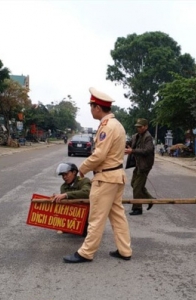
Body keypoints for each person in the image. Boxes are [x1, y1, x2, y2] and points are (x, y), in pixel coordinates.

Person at [62, 87, 132, 263]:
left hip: (106, 178)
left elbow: (99, 155)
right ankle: (125, 250)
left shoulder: (107, 127)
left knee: (96, 217)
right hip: (116, 176)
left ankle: (86, 252)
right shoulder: (118, 125)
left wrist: (82, 168)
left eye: (91, 106)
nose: (91, 110)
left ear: (97, 108)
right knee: (117, 216)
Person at [124, 118, 155, 216]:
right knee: (134, 184)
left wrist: (132, 151)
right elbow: (129, 143)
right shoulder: (136, 136)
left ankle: (137, 208)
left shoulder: (148, 137)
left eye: (140, 127)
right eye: (137, 127)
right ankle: (150, 199)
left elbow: (147, 150)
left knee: (137, 187)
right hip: (138, 164)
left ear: (146, 127)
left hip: (144, 166)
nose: (139, 128)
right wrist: (124, 144)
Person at [52, 162, 91, 237]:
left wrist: (66, 195)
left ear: (74, 172)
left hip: (86, 214)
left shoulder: (84, 181)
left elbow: (87, 192)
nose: (64, 177)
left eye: (66, 174)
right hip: (73, 214)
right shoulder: (63, 187)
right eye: (63, 175)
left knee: (86, 231)